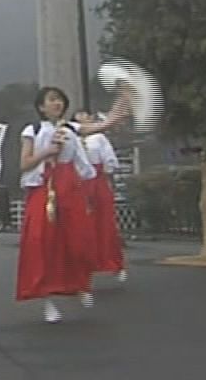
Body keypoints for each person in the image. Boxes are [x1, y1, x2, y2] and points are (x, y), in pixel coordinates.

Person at [16, 86, 124, 324]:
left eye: (60, 100)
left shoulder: (72, 129)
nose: (57, 104)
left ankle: (80, 285)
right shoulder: (32, 130)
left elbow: (99, 128)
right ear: (41, 107)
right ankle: (47, 300)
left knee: (79, 239)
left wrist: (118, 111)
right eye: (51, 100)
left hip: (70, 188)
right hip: (43, 189)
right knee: (41, 242)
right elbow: (24, 164)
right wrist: (47, 152)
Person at [75, 110, 128, 283]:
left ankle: (115, 264)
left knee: (105, 223)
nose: (82, 118)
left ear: (91, 118)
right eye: (78, 116)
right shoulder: (72, 138)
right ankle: (83, 268)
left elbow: (109, 161)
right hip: (79, 182)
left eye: (85, 115)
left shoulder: (99, 138)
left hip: (97, 180)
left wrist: (106, 176)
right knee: (82, 226)